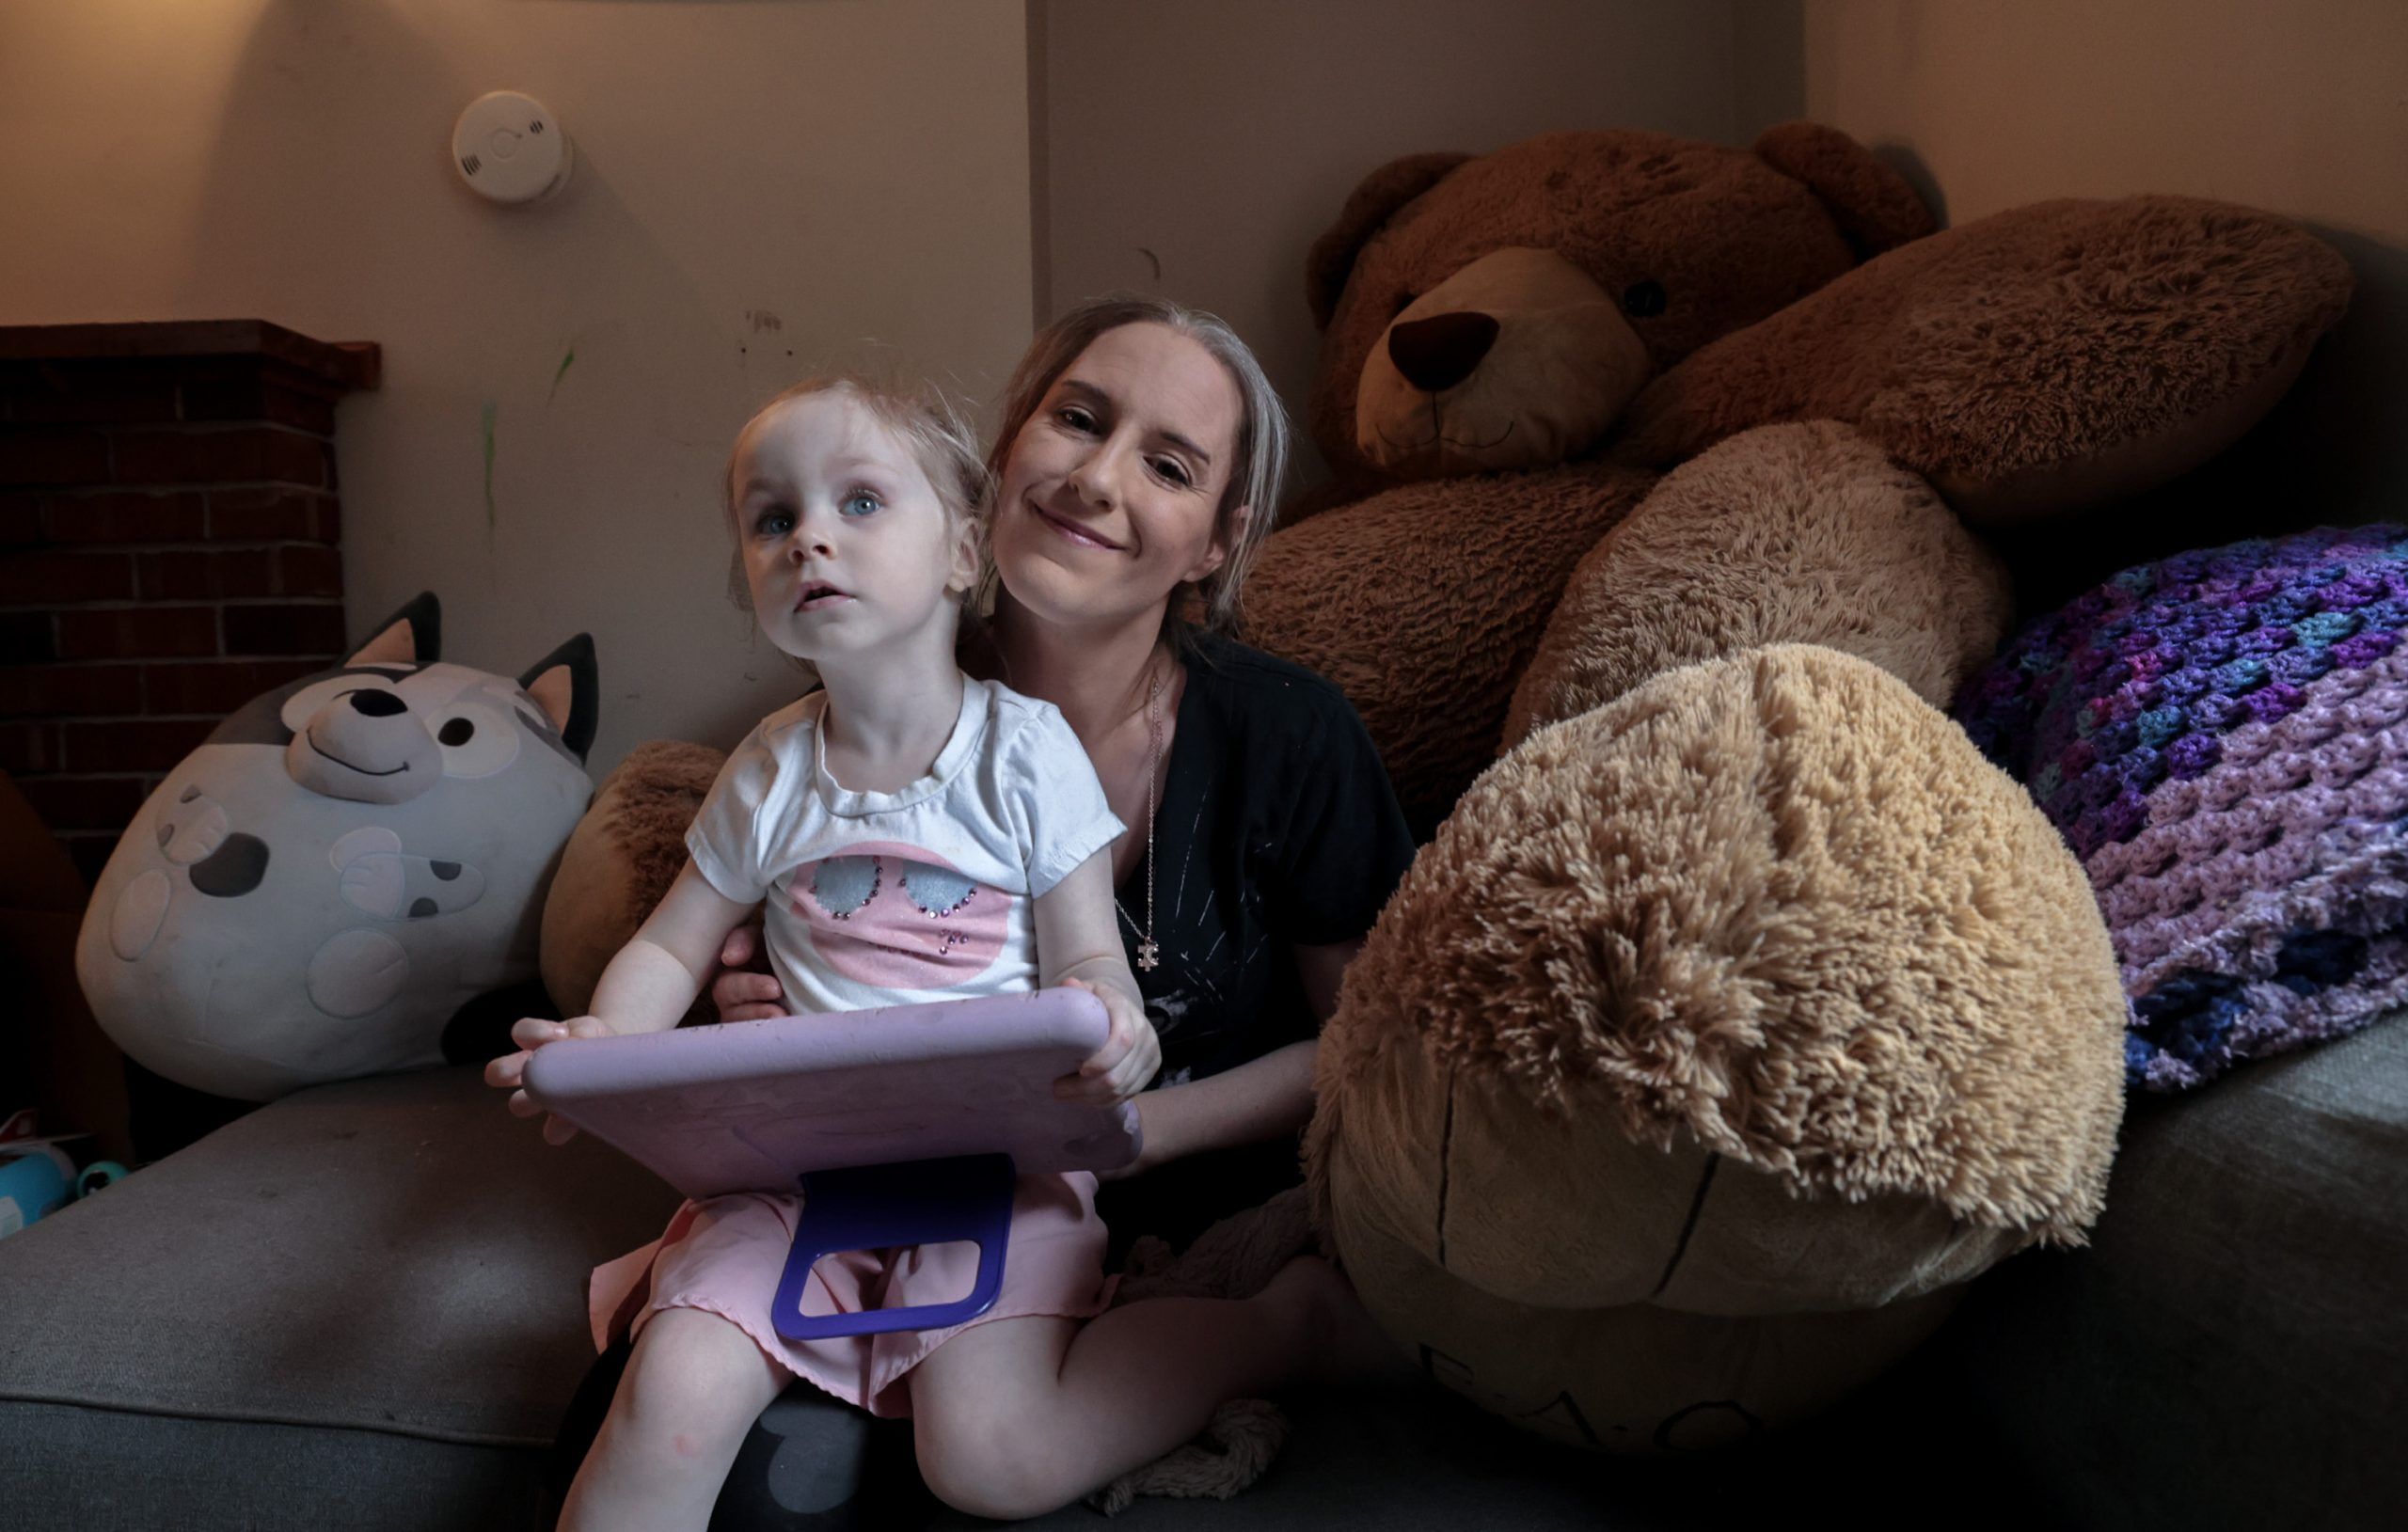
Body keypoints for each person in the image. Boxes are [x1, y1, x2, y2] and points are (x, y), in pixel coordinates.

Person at [491, 373, 1385, 1529]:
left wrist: (1114, 1029)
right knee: (673, 1390)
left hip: (996, 1175)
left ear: (964, 551)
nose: (808, 537)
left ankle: (1280, 1326)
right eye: (772, 519)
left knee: (993, 1461)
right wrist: (601, 1047)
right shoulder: (764, 769)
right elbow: (669, 948)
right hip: (791, 1175)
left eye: (859, 502)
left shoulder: (1026, 751)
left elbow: (1087, 961)